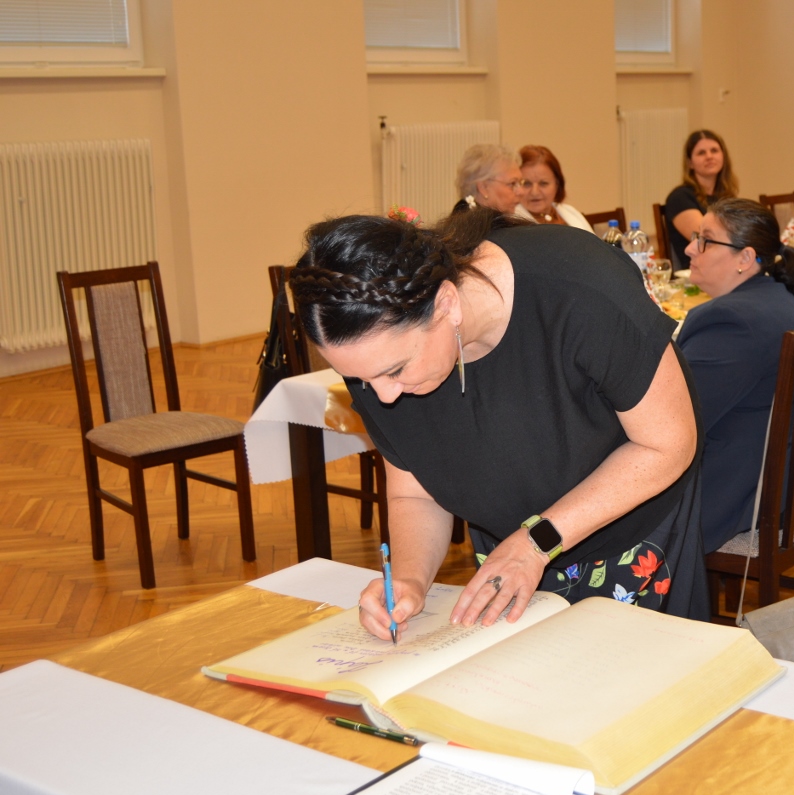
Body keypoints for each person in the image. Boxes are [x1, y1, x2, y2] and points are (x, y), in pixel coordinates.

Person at [289, 209, 708, 635]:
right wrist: (411, 578)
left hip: (630, 533)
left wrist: (536, 542)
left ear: (446, 304)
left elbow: (667, 444)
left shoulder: (579, 288)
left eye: (396, 370)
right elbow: (415, 494)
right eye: (360, 379)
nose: (383, 396)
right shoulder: (375, 356)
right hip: (509, 551)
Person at [676, 198, 794, 553]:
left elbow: (676, 422)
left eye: (705, 240)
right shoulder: (778, 300)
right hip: (782, 480)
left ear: (745, 258)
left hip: (733, 493)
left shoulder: (731, 322)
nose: (690, 248)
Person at [664, 130, 739, 271]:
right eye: (701, 153)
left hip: (727, 268)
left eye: (714, 150)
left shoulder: (727, 197)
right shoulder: (679, 197)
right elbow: (709, 240)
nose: (709, 156)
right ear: (690, 163)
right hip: (697, 274)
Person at [518, 145, 592, 231]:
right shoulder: (510, 224)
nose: (535, 192)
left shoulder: (570, 212)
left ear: (557, 184)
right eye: (526, 184)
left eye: (543, 183)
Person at [452, 143, 530, 217]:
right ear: (483, 188)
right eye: (512, 183)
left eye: (521, 183)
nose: (521, 192)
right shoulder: (471, 225)